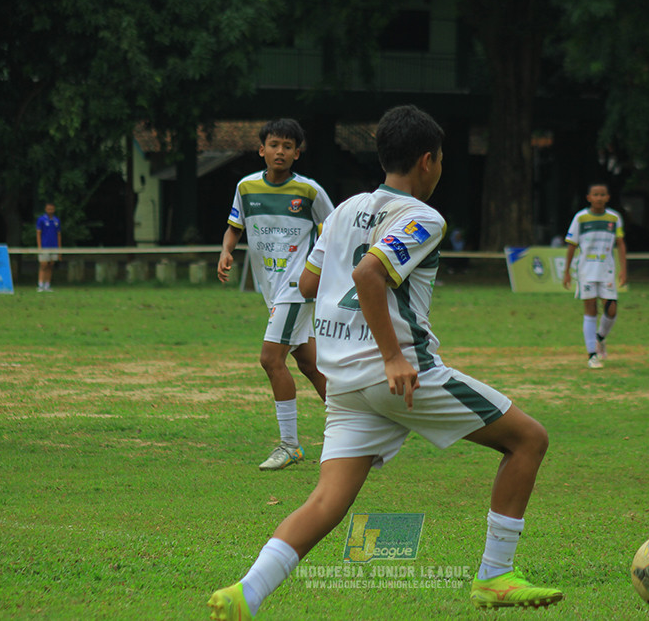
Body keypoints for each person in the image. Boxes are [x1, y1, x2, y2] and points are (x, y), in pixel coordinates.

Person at [208, 105, 562, 620]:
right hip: (397, 373)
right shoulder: (423, 217)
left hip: (344, 380)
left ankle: (246, 592)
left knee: (328, 502)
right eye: (440, 161)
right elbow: (369, 277)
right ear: (427, 161)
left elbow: (306, 285)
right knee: (529, 439)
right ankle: (494, 576)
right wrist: (394, 357)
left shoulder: (344, 211)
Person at [217, 119, 334, 471]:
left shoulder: (310, 192)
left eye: (287, 146)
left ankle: (290, 445)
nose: (279, 151)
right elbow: (234, 226)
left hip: (298, 285)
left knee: (270, 359)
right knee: (310, 364)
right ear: (261, 149)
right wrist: (226, 251)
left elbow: (334, 230)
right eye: (273, 144)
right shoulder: (246, 187)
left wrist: (323, 270)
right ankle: (360, 432)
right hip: (270, 288)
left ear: (297, 153)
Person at [561, 183, 628, 369]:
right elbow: (572, 245)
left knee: (611, 309)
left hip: (606, 270)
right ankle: (592, 355)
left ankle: (600, 338)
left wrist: (624, 269)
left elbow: (620, 244)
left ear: (608, 197)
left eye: (602, 194)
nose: (599, 198)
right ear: (589, 197)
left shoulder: (614, 218)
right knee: (590, 309)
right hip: (586, 270)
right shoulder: (580, 218)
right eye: (595, 194)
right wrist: (566, 271)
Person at [36, 203, 61, 292]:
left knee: (51, 265)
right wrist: (39, 247)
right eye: (48, 209)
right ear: (46, 209)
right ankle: (40, 285)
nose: (50, 211)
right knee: (43, 265)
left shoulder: (56, 220)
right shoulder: (41, 219)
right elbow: (38, 233)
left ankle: (47, 285)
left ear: (54, 210)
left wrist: (59, 249)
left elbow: (58, 235)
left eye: (52, 209)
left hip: (54, 246)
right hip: (44, 246)